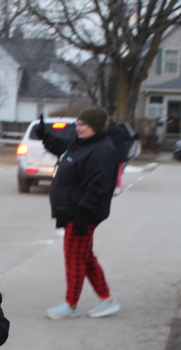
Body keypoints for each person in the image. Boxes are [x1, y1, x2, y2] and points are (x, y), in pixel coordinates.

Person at [34, 108, 121, 319]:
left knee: (74, 258)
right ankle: (106, 299)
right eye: (78, 124)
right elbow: (63, 149)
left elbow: (97, 187)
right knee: (85, 257)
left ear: (96, 127)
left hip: (81, 214)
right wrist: (45, 135)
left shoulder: (102, 151)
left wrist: (83, 213)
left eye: (84, 125)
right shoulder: (83, 144)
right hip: (72, 210)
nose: (79, 128)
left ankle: (71, 304)